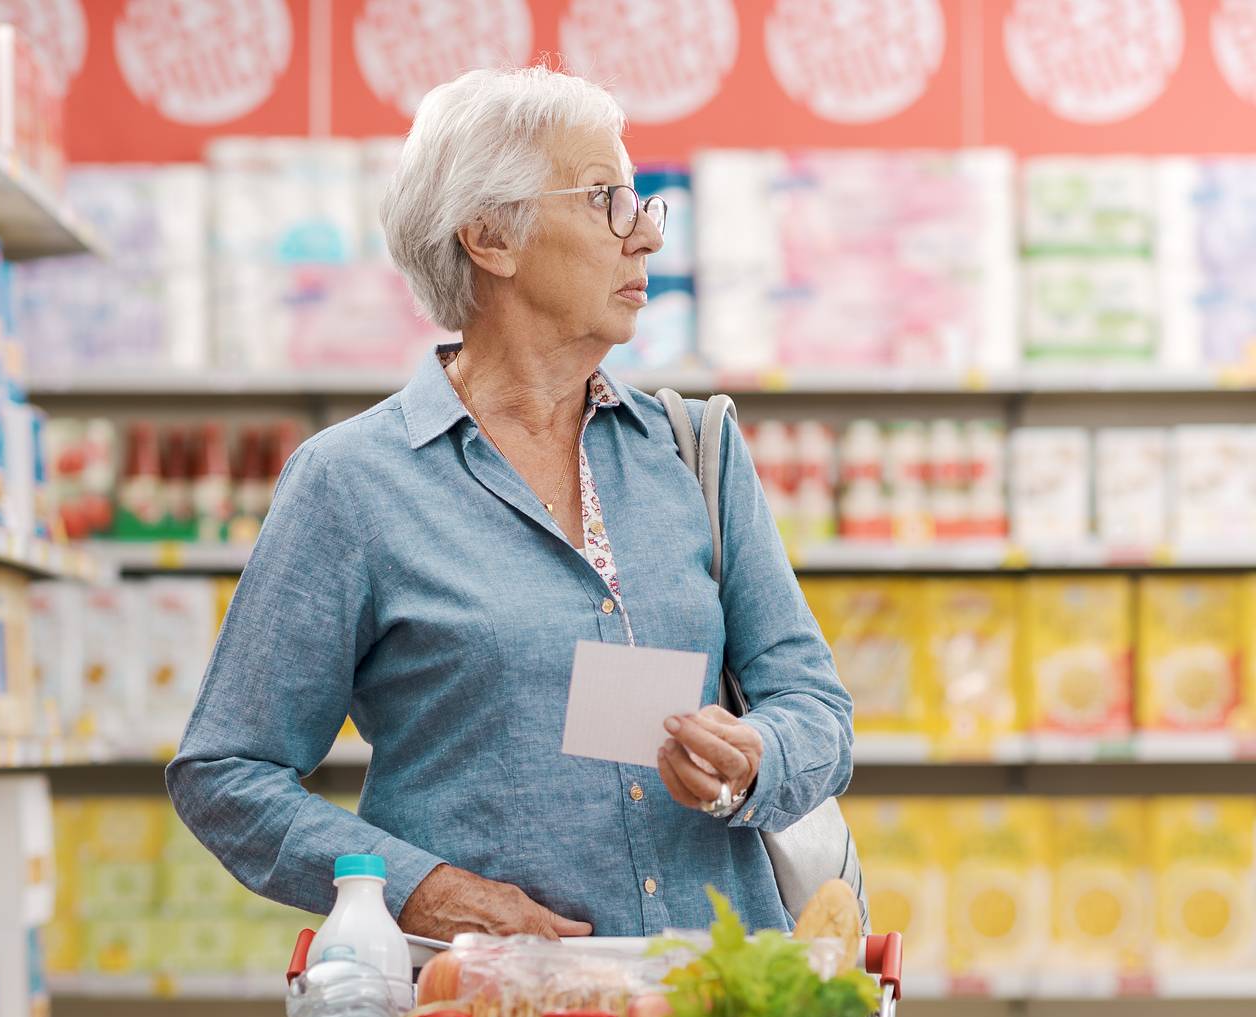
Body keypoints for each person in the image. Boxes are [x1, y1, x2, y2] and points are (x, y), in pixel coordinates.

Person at [167, 64, 854, 941]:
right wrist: (421, 891)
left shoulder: (694, 452)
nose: (644, 235)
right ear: (491, 237)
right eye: (607, 197)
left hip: (710, 1008)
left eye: (641, 201)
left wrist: (759, 761)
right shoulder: (352, 483)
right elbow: (227, 770)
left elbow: (817, 710)